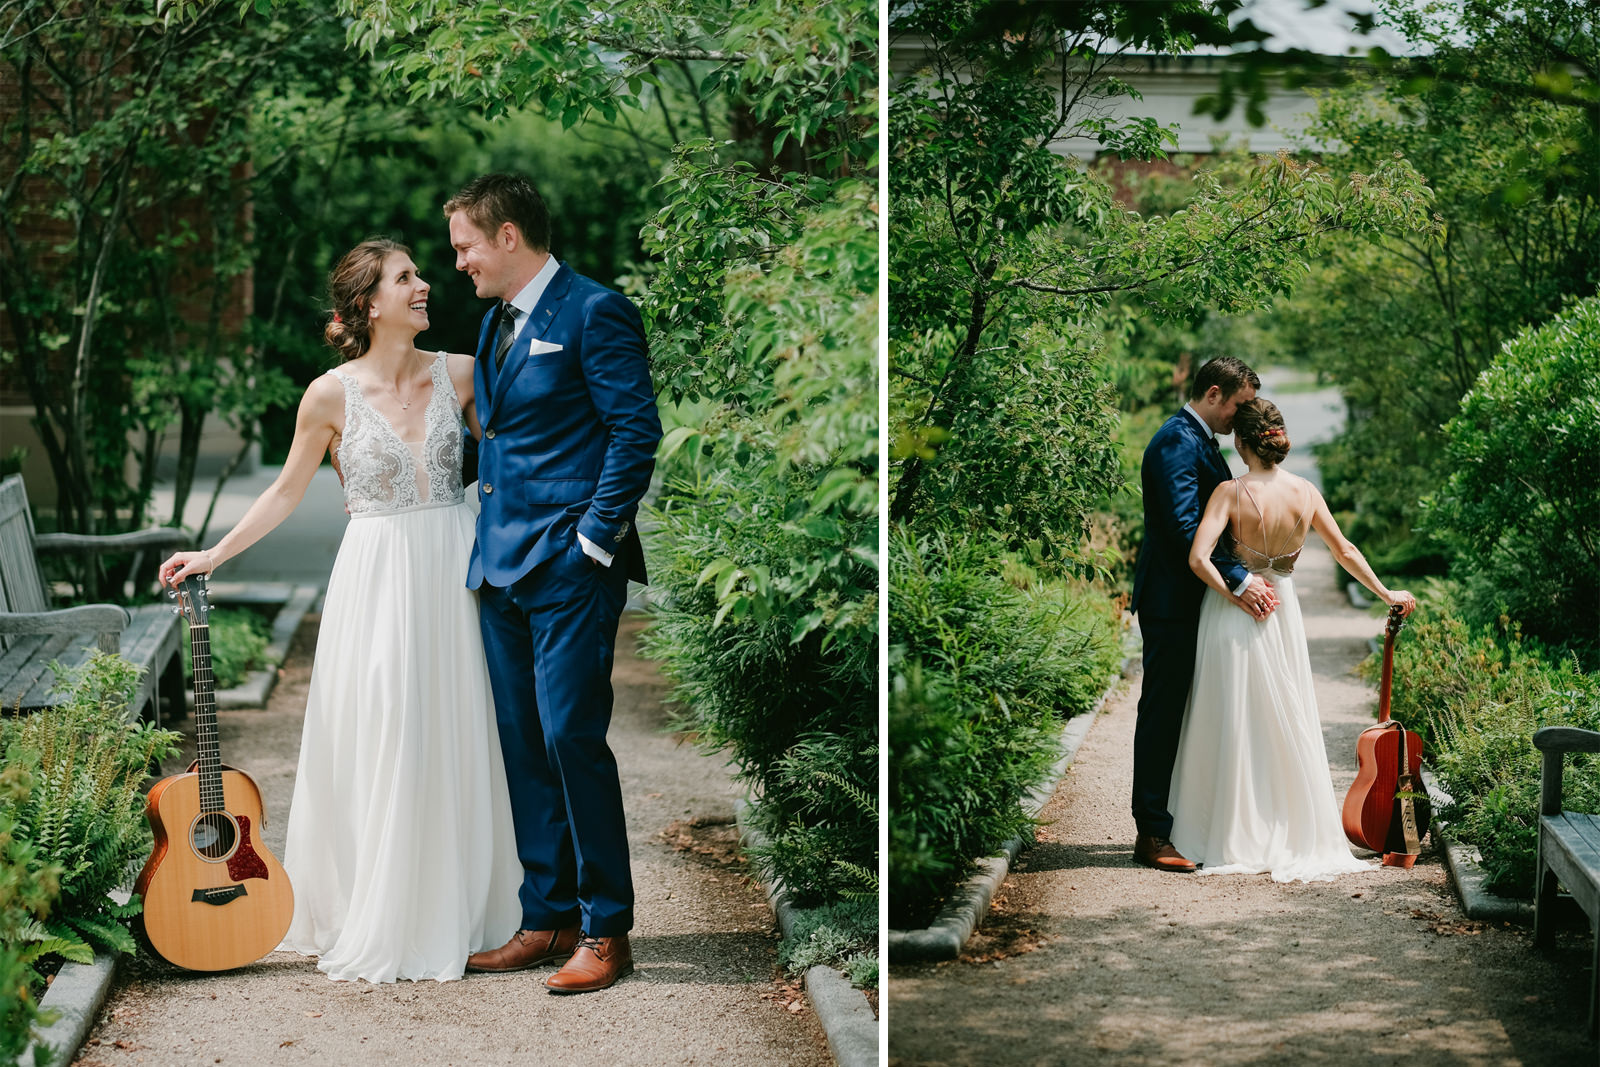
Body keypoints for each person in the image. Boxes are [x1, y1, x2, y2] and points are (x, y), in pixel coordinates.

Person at [157, 239, 521, 982]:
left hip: (456, 573)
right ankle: (382, 906)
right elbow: (285, 491)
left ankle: (472, 911)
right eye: (406, 277)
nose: (424, 285)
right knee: (389, 731)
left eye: (419, 273)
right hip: (378, 580)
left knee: (460, 727)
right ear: (369, 304)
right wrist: (212, 555)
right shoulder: (329, 394)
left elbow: (521, 456)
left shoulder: (460, 372)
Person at [444, 174, 661, 994]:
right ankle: (548, 915)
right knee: (523, 743)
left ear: (507, 236)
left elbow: (635, 431)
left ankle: (607, 928)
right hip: (497, 566)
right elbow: (497, 441)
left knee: (571, 733)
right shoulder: (494, 321)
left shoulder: (595, 310)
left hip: (570, 568)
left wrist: (594, 543)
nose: (458, 261)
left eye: (466, 244)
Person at [1167, 396, 1417, 881]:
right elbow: (1344, 549)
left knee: (1233, 717)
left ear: (1241, 442)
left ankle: (1230, 827)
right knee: (1283, 717)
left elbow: (1198, 559)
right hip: (1284, 610)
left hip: (1234, 612)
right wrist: (1386, 592)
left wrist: (1236, 592)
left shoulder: (1229, 492)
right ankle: (1287, 824)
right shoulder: (1306, 492)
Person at [1129, 357, 1281, 873]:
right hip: (1172, 602)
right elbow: (1182, 527)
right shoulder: (1177, 440)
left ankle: (1183, 824)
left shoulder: (1200, 442)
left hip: (1196, 599)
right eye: (1239, 405)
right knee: (1164, 712)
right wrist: (1239, 579)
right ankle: (1151, 834)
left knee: (1191, 713)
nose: (1242, 418)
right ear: (1214, 394)